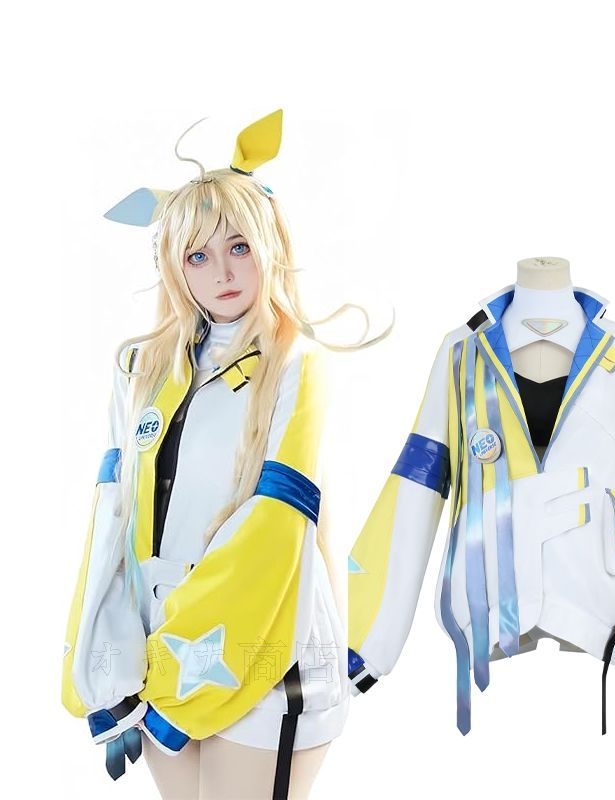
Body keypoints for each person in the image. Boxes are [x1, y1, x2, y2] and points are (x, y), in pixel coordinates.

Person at [61, 109, 389, 799]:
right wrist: (110, 667)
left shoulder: (296, 365)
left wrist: (176, 675)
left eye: (239, 246)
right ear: (173, 267)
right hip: (158, 655)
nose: (223, 271)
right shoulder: (140, 368)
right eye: (198, 255)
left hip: (265, 653)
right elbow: (112, 525)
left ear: (269, 242)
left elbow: (274, 528)